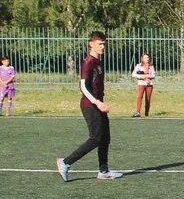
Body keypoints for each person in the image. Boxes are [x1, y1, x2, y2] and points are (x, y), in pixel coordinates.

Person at [55, 31, 122, 181]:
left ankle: (103, 171)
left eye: (104, 44)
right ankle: (65, 162)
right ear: (91, 43)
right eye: (100, 44)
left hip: (98, 105)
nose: (103, 47)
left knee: (105, 138)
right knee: (96, 138)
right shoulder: (88, 62)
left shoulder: (98, 62)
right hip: (90, 105)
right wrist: (97, 102)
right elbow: (83, 87)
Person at [131, 52, 156, 117]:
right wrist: (141, 76)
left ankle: (146, 113)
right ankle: (138, 112)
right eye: (145, 57)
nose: (147, 59)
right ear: (142, 58)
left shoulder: (151, 66)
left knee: (148, 99)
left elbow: (153, 75)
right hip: (141, 83)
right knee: (139, 97)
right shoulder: (138, 65)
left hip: (149, 84)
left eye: (148, 57)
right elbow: (133, 74)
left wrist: (148, 76)